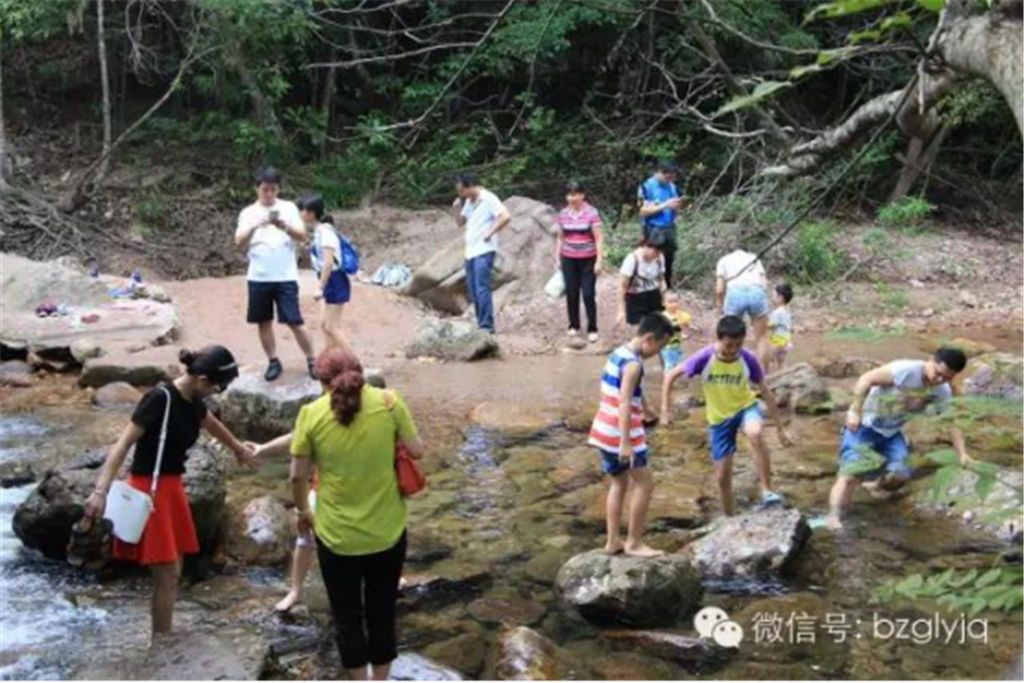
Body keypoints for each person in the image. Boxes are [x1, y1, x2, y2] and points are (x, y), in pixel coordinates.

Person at [82, 346, 256, 636]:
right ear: (202, 379)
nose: (219, 392)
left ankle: (164, 633)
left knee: (174, 570)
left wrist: (238, 449)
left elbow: (211, 424)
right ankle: (162, 643)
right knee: (168, 575)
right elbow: (123, 444)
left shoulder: (194, 401)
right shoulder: (159, 399)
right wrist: (100, 491)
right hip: (150, 490)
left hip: (172, 488)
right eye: (219, 387)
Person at [289, 348, 425, 680]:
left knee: (346, 616)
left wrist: (304, 511)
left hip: (336, 536)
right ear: (360, 373)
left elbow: (296, 477)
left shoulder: (311, 414)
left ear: (322, 382)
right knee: (382, 613)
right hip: (387, 532)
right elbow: (418, 451)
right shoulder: (390, 403)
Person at [253, 374, 399, 614]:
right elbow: (297, 437)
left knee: (382, 533)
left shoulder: (381, 417)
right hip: (328, 490)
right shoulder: (333, 413)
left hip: (366, 491)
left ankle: (390, 577)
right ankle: (295, 590)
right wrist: (264, 449)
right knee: (306, 537)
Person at [826, 348, 971, 531]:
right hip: (864, 427)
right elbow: (866, 379)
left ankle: (874, 485)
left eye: (947, 378)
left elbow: (951, 422)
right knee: (849, 477)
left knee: (901, 475)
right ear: (931, 360)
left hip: (891, 433)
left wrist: (963, 454)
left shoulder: (941, 391)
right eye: (938, 373)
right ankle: (833, 516)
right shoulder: (905, 370)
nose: (940, 380)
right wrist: (854, 411)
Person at [662, 316, 792, 516]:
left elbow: (765, 391)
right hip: (719, 420)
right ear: (719, 339)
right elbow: (670, 375)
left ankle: (767, 491)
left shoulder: (748, 359)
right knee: (723, 477)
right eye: (729, 345)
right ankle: (729, 518)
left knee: (755, 433)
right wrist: (665, 410)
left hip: (745, 408)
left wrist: (780, 429)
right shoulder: (704, 357)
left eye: (738, 345)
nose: (733, 350)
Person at [587, 313, 675, 558]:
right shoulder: (634, 365)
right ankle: (634, 543)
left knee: (619, 483)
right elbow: (624, 401)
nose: (658, 353)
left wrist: (646, 407)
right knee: (645, 484)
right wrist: (625, 443)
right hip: (621, 433)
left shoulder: (620, 354)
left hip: (604, 429)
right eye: (660, 347)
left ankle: (612, 541)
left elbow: (627, 389)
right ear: (649, 338)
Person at [235, 167, 316, 381]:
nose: (269, 194)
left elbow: (302, 236)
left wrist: (284, 226)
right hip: (258, 276)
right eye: (265, 189)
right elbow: (238, 242)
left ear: (278, 189)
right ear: (257, 189)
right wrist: (254, 226)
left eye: (273, 189)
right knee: (263, 321)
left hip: (285, 276)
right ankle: (273, 361)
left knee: (294, 321)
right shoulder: (248, 213)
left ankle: (312, 360)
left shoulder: (288, 208)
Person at [451, 172, 511, 333]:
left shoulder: (488, 198)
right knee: (473, 289)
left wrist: (490, 232)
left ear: (470, 186)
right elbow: (460, 222)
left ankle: (487, 325)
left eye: (462, 190)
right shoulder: (469, 202)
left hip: (484, 250)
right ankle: (480, 323)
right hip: (470, 250)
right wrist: (456, 209)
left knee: (482, 287)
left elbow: (505, 216)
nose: (461, 194)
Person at [554, 181, 603, 343]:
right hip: (568, 258)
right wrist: (557, 257)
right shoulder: (563, 214)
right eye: (569, 195)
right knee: (571, 292)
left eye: (575, 194)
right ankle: (574, 325)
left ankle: (592, 328)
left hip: (588, 258)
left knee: (588, 294)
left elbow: (599, 238)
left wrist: (599, 261)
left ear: (582, 195)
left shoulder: (592, 213)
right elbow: (560, 238)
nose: (572, 198)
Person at [299, 195, 351, 350]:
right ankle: (332, 357)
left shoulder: (326, 232)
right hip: (329, 279)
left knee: (332, 327)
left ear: (311, 213)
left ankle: (353, 361)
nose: (300, 214)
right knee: (325, 325)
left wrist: (320, 287)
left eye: (301, 210)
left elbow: (328, 263)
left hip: (334, 280)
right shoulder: (320, 231)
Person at [715, 246, 771, 372]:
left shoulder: (724, 260)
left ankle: (731, 372)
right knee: (762, 338)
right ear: (746, 250)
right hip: (757, 291)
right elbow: (765, 284)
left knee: (730, 336)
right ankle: (763, 375)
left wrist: (720, 306)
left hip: (735, 293)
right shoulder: (754, 258)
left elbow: (719, 290)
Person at [637, 160, 684, 288]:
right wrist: (665, 205)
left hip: (669, 228)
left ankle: (666, 288)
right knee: (652, 260)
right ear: (659, 172)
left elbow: (675, 207)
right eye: (668, 177)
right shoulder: (646, 187)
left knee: (668, 261)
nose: (670, 180)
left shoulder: (672, 186)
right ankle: (649, 287)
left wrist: (677, 207)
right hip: (653, 228)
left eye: (672, 178)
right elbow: (642, 211)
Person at [616, 232, 667, 329]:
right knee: (641, 331)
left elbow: (661, 280)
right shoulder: (632, 260)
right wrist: (621, 310)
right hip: (636, 298)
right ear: (645, 246)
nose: (656, 255)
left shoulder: (660, 258)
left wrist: (665, 298)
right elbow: (622, 286)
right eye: (654, 251)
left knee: (657, 329)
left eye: (659, 252)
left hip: (654, 296)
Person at [657, 290, 692, 415]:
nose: (673, 304)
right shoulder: (663, 317)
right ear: (664, 303)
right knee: (670, 367)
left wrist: (684, 335)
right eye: (670, 302)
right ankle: (668, 387)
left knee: (674, 364)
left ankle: (669, 382)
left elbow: (682, 330)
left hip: (676, 345)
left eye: (675, 301)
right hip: (668, 347)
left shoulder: (681, 315)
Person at [767, 283, 794, 372]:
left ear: (780, 298)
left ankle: (768, 377)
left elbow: (771, 325)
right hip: (786, 340)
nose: (772, 297)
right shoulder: (787, 312)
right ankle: (785, 376)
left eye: (774, 295)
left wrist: (764, 325)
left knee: (769, 359)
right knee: (782, 362)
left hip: (777, 340)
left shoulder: (777, 313)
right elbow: (790, 327)